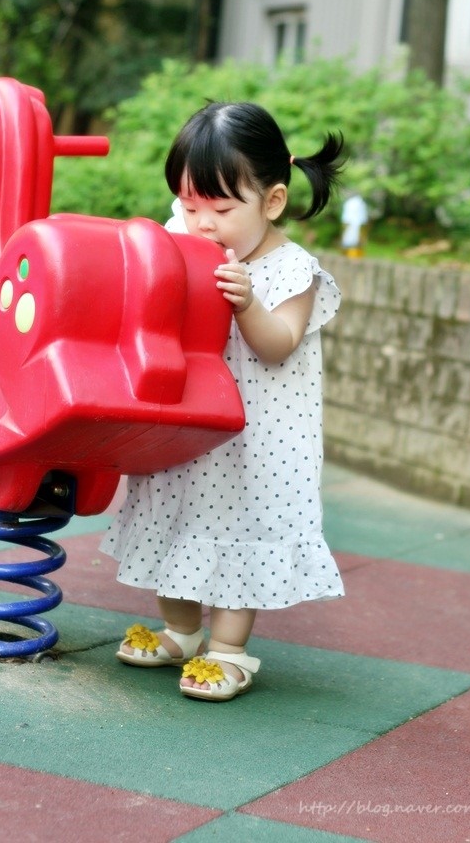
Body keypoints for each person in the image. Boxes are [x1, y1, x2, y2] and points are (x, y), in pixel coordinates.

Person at [101, 101, 345, 701]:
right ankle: (181, 631)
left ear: (273, 201)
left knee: (240, 527)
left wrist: (247, 303)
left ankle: (230, 650)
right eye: (189, 206)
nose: (201, 224)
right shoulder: (184, 239)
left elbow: (278, 345)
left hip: (254, 440)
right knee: (175, 514)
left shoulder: (293, 271)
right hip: (188, 421)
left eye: (221, 209)